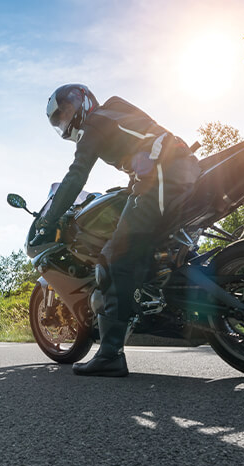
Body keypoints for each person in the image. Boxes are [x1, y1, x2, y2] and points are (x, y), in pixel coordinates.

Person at [35, 84, 201, 377]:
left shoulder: (94, 124)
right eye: (59, 119)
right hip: (177, 168)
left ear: (82, 102)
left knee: (113, 258)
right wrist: (132, 189)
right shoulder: (116, 110)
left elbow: (76, 176)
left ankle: (110, 354)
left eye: (66, 112)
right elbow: (141, 143)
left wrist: (48, 220)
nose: (66, 121)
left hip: (164, 173)